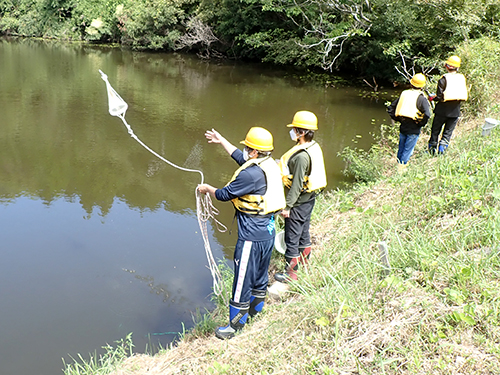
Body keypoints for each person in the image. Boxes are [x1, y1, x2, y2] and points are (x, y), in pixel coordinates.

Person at [198, 127, 286, 339]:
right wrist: (222, 141)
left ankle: (234, 326)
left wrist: (208, 189)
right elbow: (241, 158)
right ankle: (256, 312)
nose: (245, 150)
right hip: (268, 231)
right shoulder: (270, 165)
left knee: (241, 281)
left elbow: (224, 194)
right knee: (259, 276)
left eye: (248, 147)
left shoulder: (249, 174)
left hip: (251, 237)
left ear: (255, 152)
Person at [274, 110, 327, 283]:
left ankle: (291, 276)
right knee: (304, 232)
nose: (292, 131)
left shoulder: (301, 157)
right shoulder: (312, 147)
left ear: (302, 132)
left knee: (292, 238)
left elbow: (296, 185)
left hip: (297, 203)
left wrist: (287, 207)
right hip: (309, 199)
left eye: (295, 129)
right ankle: (306, 265)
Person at [387, 73, 431, 171]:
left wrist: (397, 119)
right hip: (414, 126)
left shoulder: (404, 94)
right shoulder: (421, 98)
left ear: (411, 84)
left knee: (401, 148)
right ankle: (401, 171)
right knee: (407, 150)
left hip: (403, 125)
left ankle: (398, 166)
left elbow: (390, 108)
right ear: (422, 86)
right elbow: (427, 114)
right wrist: (421, 123)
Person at [428, 55, 468, 154]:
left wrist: (433, 98)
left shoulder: (443, 79)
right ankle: (442, 151)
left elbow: (440, 96)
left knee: (435, 131)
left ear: (446, 66)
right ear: (457, 67)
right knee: (447, 133)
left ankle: (431, 150)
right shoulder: (461, 78)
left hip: (441, 111)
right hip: (455, 111)